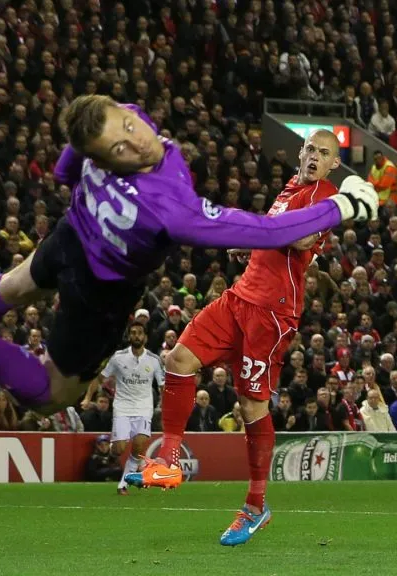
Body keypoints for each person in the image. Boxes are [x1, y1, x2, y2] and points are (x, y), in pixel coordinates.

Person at [0, 96, 377, 416]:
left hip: (70, 234)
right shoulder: (168, 209)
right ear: (107, 156)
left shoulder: (121, 128)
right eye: (120, 146)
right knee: (55, 396)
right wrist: (343, 206)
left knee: (14, 285)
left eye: (129, 123)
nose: (136, 139)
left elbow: (63, 172)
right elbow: (266, 232)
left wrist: (86, 173)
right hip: (98, 288)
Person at [126, 130, 369, 546]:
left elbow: (298, 237)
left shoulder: (324, 194)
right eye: (310, 149)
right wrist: (250, 246)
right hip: (239, 298)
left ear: (333, 165)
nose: (314, 157)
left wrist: (256, 234)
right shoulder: (290, 188)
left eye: (324, 153)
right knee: (179, 360)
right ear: (300, 151)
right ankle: (167, 461)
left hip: (271, 314)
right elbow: (273, 238)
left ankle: (256, 506)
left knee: (251, 405)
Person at [84, 322, 164, 494]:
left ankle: (123, 484)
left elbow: (163, 386)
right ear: (129, 337)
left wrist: (165, 406)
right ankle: (112, 446)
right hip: (123, 408)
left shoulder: (154, 360)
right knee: (119, 450)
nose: (136, 336)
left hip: (144, 408)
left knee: (138, 445)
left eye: (140, 333)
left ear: (145, 337)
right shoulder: (118, 358)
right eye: (133, 333)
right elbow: (99, 379)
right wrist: (87, 398)